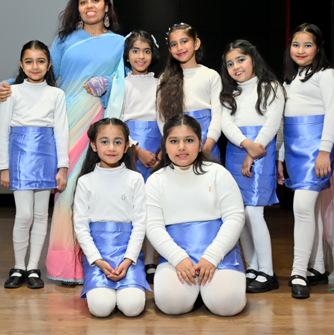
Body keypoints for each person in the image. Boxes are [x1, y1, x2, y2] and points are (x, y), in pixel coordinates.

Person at [0, 0, 125, 284]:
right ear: (77, 8)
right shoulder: (65, 40)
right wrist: (7, 87)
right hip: (66, 120)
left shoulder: (120, 43)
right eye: (83, 1)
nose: (89, 6)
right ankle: (66, 266)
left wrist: (108, 86)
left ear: (106, 6)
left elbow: (126, 80)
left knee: (96, 191)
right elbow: (46, 77)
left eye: (95, 0)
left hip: (101, 123)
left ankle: (102, 261)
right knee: (66, 194)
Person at [146, 114, 246, 316]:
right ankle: (197, 292)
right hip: (177, 256)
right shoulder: (155, 181)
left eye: (189, 140)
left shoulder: (218, 173)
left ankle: (209, 290)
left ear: (200, 144)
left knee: (227, 305)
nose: (181, 147)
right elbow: (153, 226)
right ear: (165, 145)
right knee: (171, 304)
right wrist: (178, 258)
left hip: (219, 252)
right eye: (174, 141)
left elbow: (235, 217)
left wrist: (212, 256)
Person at [276, 23, 334, 299]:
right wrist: (279, 157)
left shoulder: (325, 75)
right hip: (294, 151)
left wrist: (325, 151)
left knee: (302, 207)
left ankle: (298, 272)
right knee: (311, 210)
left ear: (318, 48)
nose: (300, 50)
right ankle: (318, 267)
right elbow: (282, 122)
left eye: (307, 45)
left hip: (316, 150)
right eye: (296, 44)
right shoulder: (288, 81)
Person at [0, 41, 69, 289]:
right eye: (29, 61)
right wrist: (3, 167)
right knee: (24, 214)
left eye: (40, 61)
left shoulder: (56, 94)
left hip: (47, 157)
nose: (35, 66)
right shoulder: (12, 92)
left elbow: (61, 132)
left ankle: (33, 267)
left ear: (48, 64)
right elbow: (2, 130)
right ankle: (18, 266)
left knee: (40, 215)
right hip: (20, 157)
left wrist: (62, 167)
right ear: (21, 64)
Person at [219, 40, 285, 293]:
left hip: (261, 151)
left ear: (253, 59)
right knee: (241, 214)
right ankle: (253, 268)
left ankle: (267, 272)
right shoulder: (230, 94)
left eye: (241, 60)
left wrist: (253, 150)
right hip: (236, 152)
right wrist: (245, 145)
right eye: (230, 63)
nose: (236, 66)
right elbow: (226, 124)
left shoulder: (271, 87)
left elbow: (272, 123)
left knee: (255, 213)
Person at [73, 118, 149, 317]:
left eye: (118, 142)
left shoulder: (135, 179)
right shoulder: (85, 182)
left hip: (128, 255)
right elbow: (80, 227)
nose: (111, 147)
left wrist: (128, 259)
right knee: (101, 308)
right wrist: (97, 260)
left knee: (133, 308)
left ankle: (125, 290)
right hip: (98, 256)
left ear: (126, 146)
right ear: (93, 145)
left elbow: (140, 224)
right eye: (104, 141)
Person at [119, 30, 161, 283]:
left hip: (157, 150)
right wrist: (135, 149)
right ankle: (130, 257)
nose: (141, 56)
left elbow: (165, 118)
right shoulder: (121, 84)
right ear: (127, 55)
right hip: (129, 149)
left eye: (146, 51)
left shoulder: (161, 83)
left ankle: (151, 261)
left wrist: (162, 149)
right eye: (135, 51)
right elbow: (118, 120)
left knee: (153, 206)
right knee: (130, 206)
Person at [157, 23, 222, 161]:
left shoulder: (211, 75)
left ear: (196, 43)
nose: (180, 47)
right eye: (174, 44)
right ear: (169, 49)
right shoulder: (164, 79)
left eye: (184, 41)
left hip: (207, 143)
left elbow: (218, 115)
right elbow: (161, 116)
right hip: (177, 146)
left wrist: (207, 146)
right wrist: (171, 142)